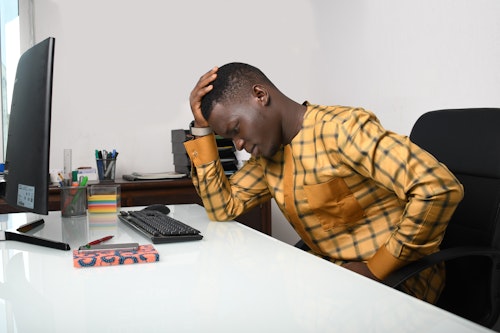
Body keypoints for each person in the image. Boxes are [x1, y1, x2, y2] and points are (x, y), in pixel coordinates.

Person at [184, 62, 464, 303]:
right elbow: (222, 207)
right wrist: (201, 129)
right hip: (332, 281)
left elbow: (438, 187)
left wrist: (375, 269)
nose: (240, 144)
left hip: (398, 281)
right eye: (230, 139)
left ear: (260, 95)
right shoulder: (270, 156)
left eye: (236, 130)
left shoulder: (343, 129)